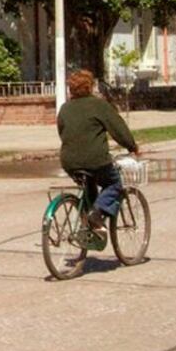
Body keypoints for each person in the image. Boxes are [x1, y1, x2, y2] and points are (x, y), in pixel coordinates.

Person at [56, 69, 139, 235]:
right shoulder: (99, 105)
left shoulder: (65, 108)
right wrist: (132, 146)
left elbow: (62, 132)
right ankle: (97, 214)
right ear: (90, 87)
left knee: (89, 186)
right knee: (114, 184)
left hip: (69, 161)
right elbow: (118, 129)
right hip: (96, 160)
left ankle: (90, 225)